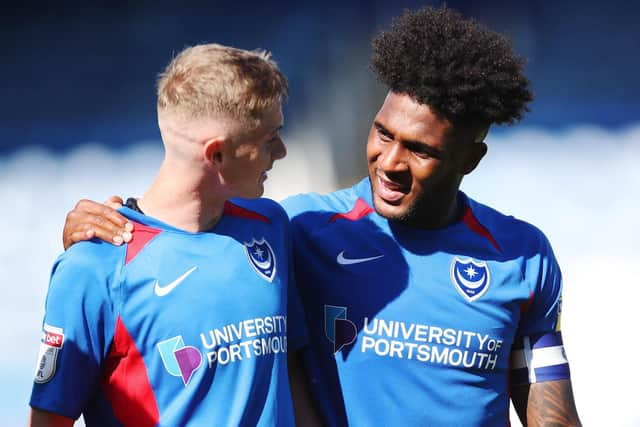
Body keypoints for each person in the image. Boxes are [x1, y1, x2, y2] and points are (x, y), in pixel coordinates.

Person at [59, 6, 582, 427]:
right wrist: (103, 223)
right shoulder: (298, 231)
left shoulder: (521, 256)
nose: (390, 162)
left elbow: (551, 413)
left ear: (470, 160)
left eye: (420, 150)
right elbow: (181, 226)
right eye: (382, 133)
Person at [29, 43, 318, 426]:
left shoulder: (269, 226)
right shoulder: (93, 267)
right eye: (269, 139)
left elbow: (290, 371)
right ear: (216, 155)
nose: (281, 152)